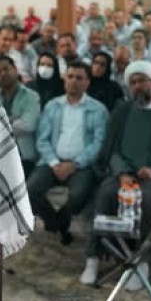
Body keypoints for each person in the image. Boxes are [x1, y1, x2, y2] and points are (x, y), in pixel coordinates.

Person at [80, 61, 151, 289]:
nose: (137, 86)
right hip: (122, 173)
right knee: (106, 193)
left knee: (146, 199)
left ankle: (141, 261)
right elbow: (111, 149)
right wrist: (121, 172)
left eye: (142, 81)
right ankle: (93, 258)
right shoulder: (121, 111)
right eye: (133, 82)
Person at [28, 61, 109, 245]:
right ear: (64, 79)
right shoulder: (53, 106)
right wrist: (54, 163)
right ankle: (55, 223)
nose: (73, 81)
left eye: (79, 78)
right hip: (52, 163)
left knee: (78, 196)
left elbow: (99, 143)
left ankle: (60, 222)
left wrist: (75, 164)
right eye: (70, 76)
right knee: (30, 191)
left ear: (87, 82)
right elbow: (42, 139)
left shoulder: (98, 110)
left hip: (82, 165)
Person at [0, 55, 41, 176]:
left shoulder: (31, 97)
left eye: (6, 69)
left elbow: (28, 125)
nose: (3, 74)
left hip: (24, 157)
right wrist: (13, 119)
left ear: (15, 69)